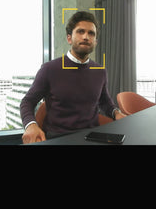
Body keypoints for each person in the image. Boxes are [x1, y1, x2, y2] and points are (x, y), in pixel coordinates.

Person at [20, 11, 126, 144]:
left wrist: (116, 112)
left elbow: (104, 101)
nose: (86, 37)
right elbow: (27, 101)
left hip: (91, 137)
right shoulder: (49, 69)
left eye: (91, 33)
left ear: (95, 42)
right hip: (59, 138)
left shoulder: (100, 71)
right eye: (80, 31)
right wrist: (31, 125)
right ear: (69, 38)